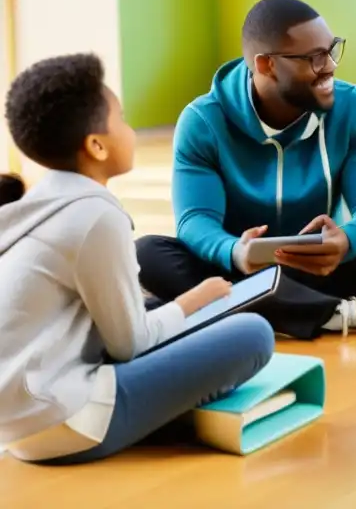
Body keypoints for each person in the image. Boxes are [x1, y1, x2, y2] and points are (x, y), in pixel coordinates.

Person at [0, 54, 275, 465]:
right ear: (96, 145)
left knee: (158, 310)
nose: (131, 130)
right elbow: (129, 345)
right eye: (123, 119)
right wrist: (193, 300)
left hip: (21, 421)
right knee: (253, 334)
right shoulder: (95, 215)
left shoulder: (41, 202)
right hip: (67, 422)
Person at [136, 0, 356, 339]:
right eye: (314, 58)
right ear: (266, 65)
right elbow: (195, 220)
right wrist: (234, 251)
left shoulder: (353, 107)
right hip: (240, 265)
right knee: (146, 254)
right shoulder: (203, 120)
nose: (330, 66)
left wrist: (347, 241)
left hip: (320, 263)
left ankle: (233, 306)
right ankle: (337, 312)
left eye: (331, 49)